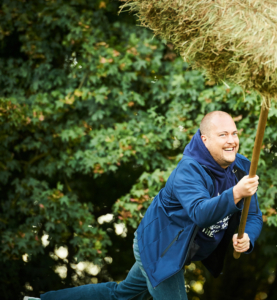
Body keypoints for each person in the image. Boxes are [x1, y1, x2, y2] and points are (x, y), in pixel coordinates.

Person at [33, 111, 263, 300]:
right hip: (160, 248)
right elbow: (200, 213)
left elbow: (252, 215)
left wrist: (248, 237)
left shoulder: (241, 167)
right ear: (205, 140)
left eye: (234, 133)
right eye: (223, 135)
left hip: (180, 251)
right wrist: (235, 193)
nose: (232, 140)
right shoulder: (189, 170)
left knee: (121, 296)